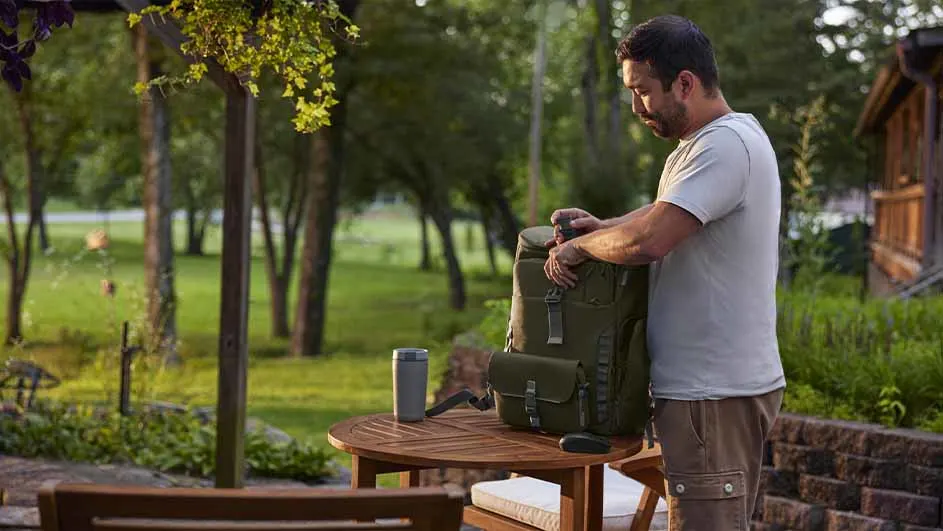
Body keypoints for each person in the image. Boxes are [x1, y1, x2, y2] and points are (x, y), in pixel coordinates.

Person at [543, 14, 786, 530]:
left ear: (685, 83)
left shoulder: (724, 145)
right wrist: (605, 224)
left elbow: (651, 240)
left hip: (712, 395)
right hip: (708, 395)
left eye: (643, 91)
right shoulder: (707, 144)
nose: (636, 107)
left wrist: (580, 248)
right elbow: (662, 215)